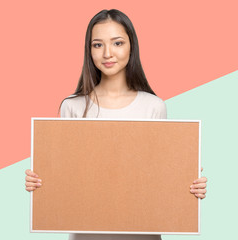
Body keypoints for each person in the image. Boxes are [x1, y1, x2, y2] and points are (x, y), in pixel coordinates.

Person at [25, 9, 207, 240]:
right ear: (89, 50)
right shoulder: (72, 107)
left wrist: (186, 182)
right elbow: (66, 180)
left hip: (143, 232)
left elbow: (157, 180)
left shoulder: (153, 106)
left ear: (131, 46)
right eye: (98, 45)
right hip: (86, 233)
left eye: (117, 43)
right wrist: (40, 183)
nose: (107, 53)